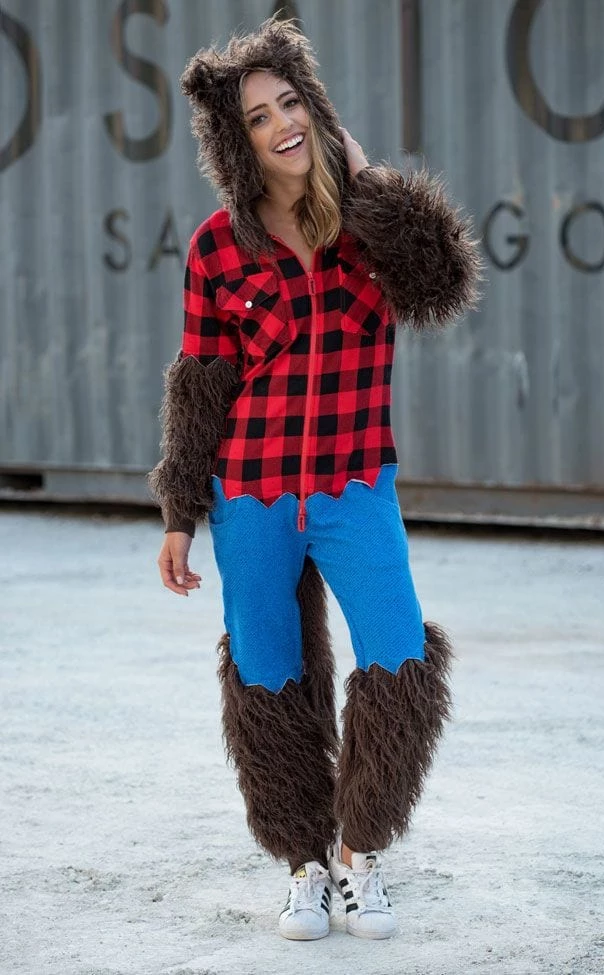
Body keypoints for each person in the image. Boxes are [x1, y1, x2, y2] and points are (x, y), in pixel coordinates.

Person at [149, 17, 479, 942]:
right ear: (237, 140)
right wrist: (180, 512)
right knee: (266, 675)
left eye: (289, 103)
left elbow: (444, 281)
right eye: (257, 117)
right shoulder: (218, 248)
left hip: (353, 485)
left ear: (316, 107)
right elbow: (202, 383)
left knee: (398, 656)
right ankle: (303, 863)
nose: (280, 125)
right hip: (249, 494)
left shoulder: (370, 230)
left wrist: (368, 182)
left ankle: (360, 855)